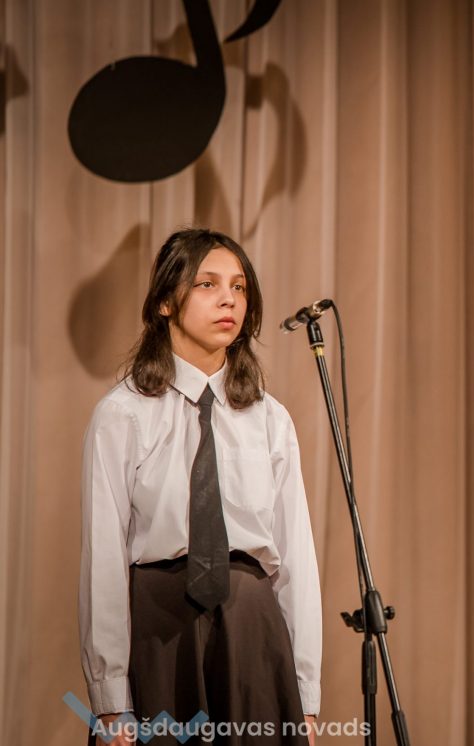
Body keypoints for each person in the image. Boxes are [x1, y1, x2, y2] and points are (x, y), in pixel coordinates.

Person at [80, 228, 322, 745]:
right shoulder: (123, 414)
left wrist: (304, 691)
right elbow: (103, 556)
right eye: (207, 284)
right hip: (161, 626)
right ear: (166, 301)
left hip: (253, 628)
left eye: (239, 287)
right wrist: (110, 697)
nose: (228, 299)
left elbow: (296, 557)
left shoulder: (269, 417)